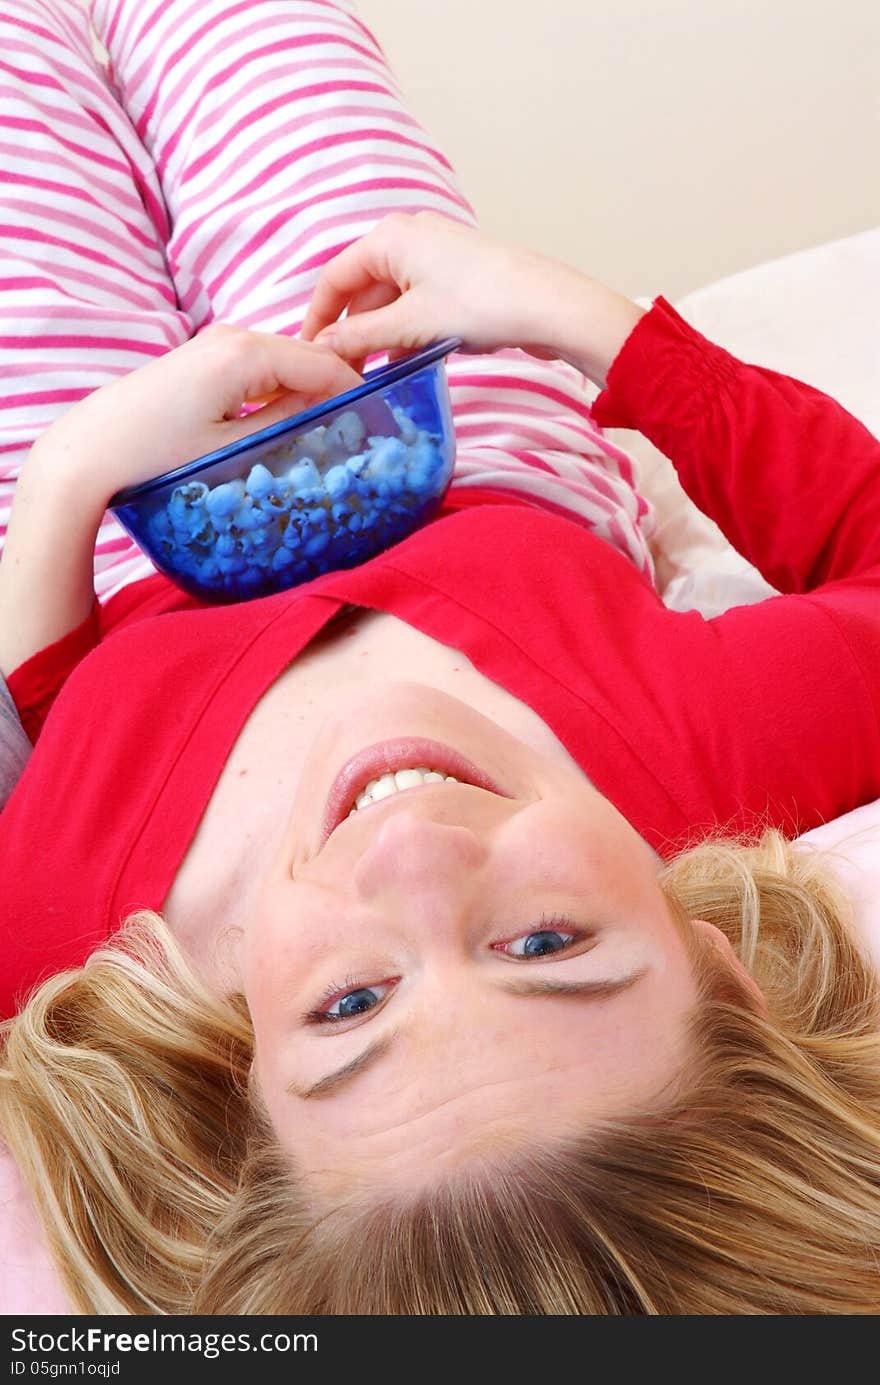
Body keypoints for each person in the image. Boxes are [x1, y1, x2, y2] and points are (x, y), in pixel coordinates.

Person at [1, 0, 880, 1318]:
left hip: (96, 523)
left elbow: (69, 731)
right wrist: (580, 319)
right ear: (713, 964)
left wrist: (69, 483)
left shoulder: (86, 950)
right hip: (448, 399)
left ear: (247, 1101)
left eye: (352, 1005)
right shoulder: (707, 752)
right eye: (544, 937)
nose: (412, 859)